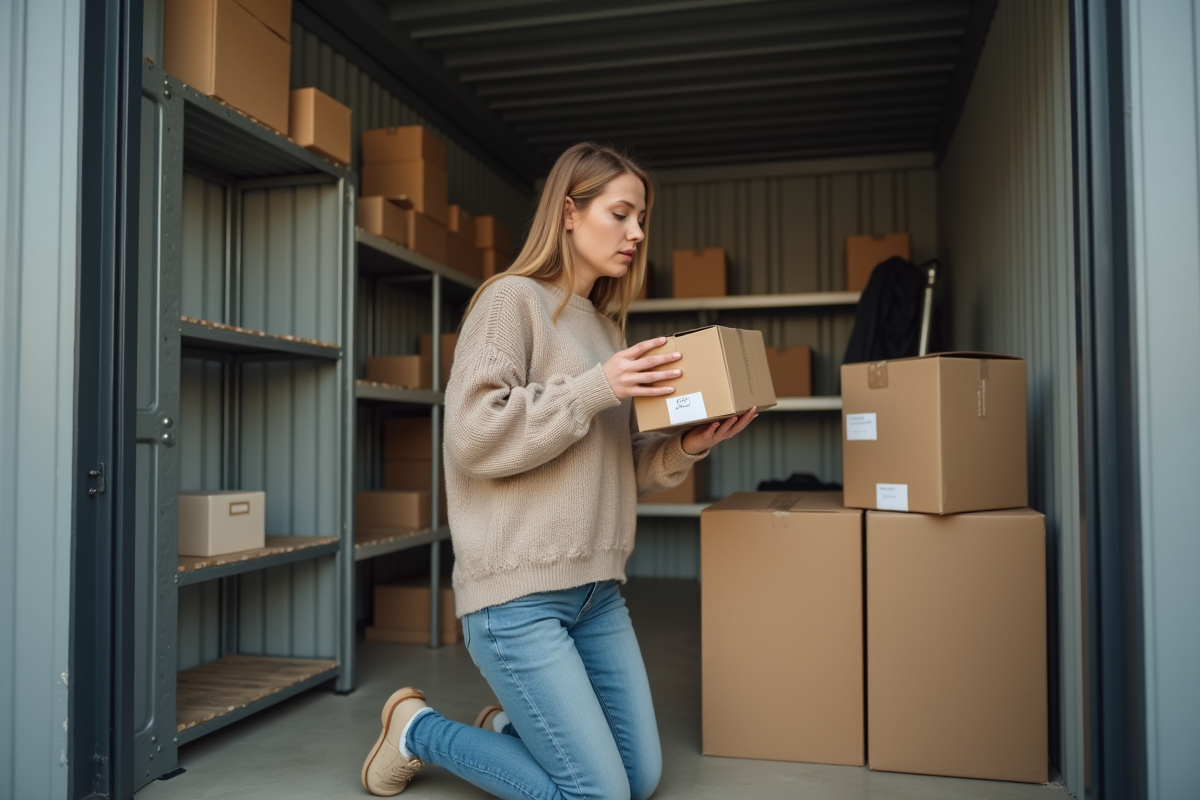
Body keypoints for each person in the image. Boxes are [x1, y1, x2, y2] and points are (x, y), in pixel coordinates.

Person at [360, 143, 757, 799]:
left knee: (642, 779)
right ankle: (416, 729)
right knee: (598, 796)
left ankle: (515, 730)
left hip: (597, 591)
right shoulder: (510, 302)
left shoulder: (603, 326)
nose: (636, 234)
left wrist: (687, 447)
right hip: (517, 599)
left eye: (642, 220)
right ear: (569, 213)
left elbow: (615, 467)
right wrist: (596, 387)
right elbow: (472, 437)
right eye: (622, 213)